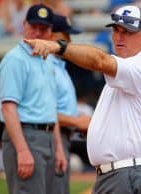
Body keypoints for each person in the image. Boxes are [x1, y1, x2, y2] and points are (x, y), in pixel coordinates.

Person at [24, 4, 141, 194]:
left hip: (128, 172)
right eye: (116, 30)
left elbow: (100, 61)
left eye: (128, 32)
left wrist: (58, 46)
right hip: (122, 172)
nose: (119, 37)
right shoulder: (128, 70)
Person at [0, 4, 67, 194]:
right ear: (24, 25)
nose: (37, 32)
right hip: (26, 135)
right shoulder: (15, 59)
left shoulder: (48, 59)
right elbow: (8, 109)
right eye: (33, 26)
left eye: (43, 28)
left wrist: (59, 148)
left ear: (51, 31)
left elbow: (50, 107)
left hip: (48, 136)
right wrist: (22, 150)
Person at [45, 14, 91, 194]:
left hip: (62, 136)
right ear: (52, 36)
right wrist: (77, 122)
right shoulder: (47, 65)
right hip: (51, 138)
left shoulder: (59, 65)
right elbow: (44, 111)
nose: (70, 41)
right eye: (66, 35)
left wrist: (77, 121)